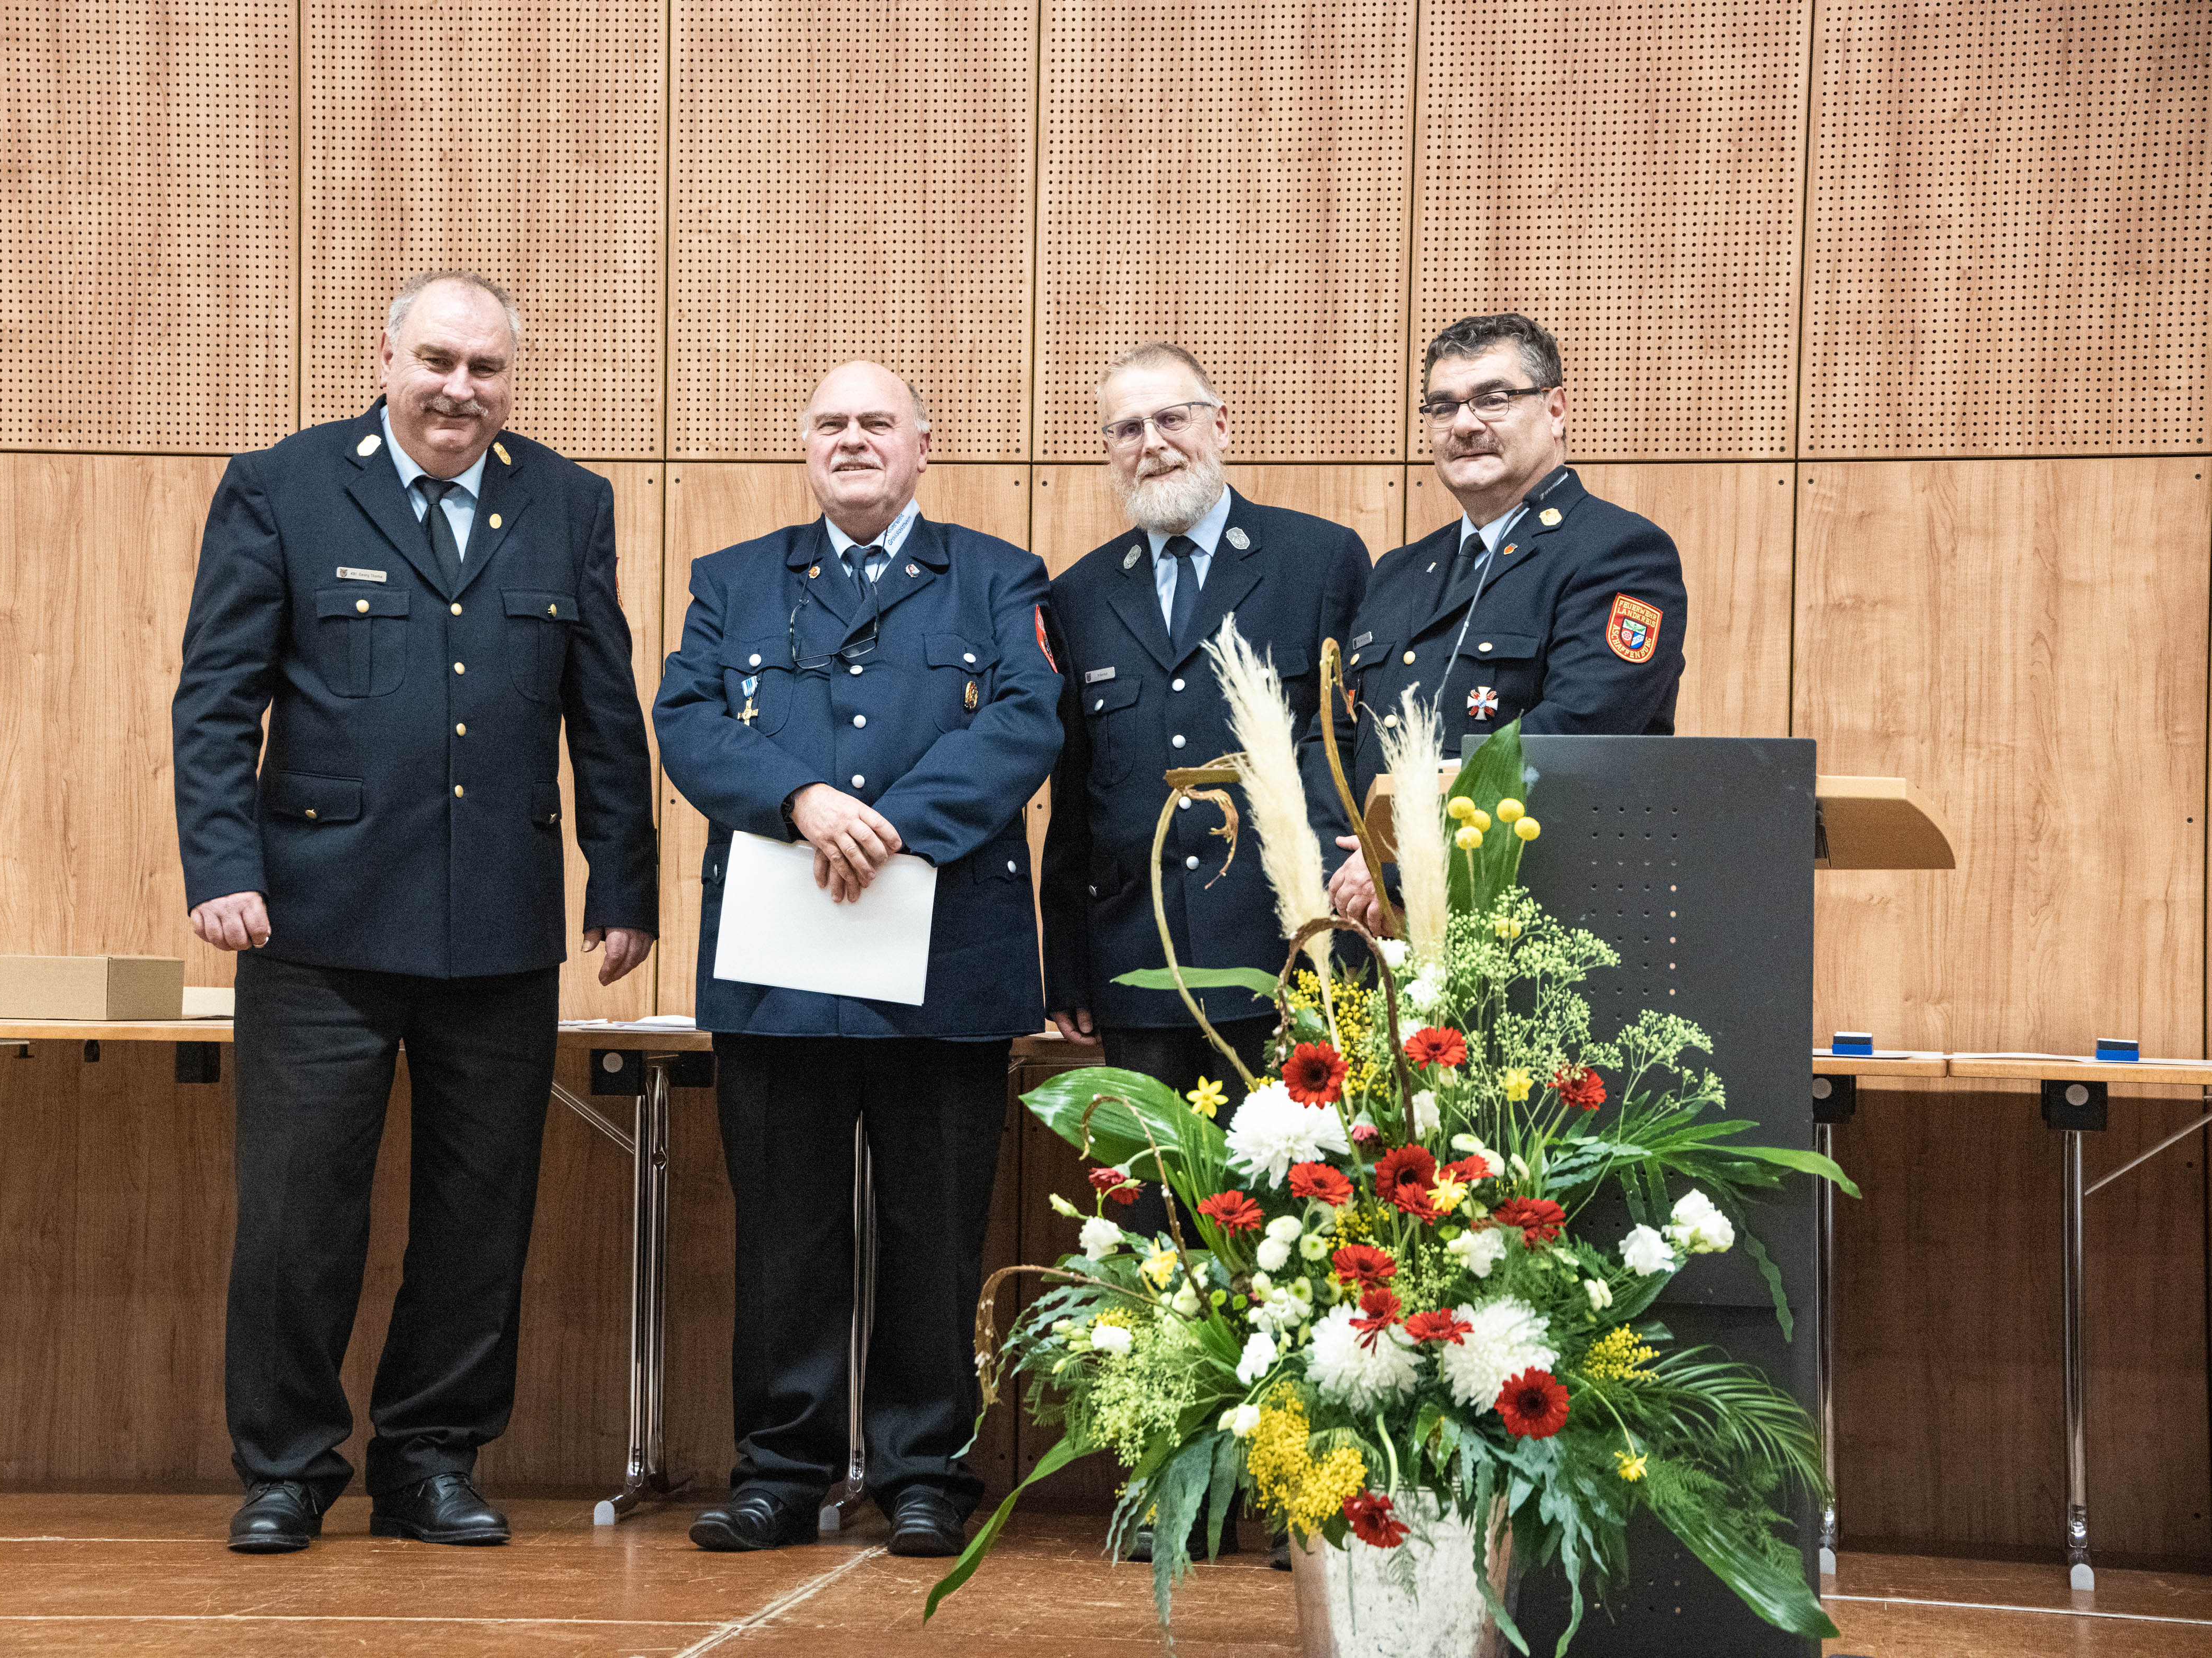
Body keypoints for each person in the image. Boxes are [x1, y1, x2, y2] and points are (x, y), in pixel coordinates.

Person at [172, 270, 659, 1553]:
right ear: (384, 357)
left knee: (478, 1210)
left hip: (497, 922)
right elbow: (217, 697)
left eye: (486, 368)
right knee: (296, 1210)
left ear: (513, 379)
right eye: (437, 360)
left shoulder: (566, 500)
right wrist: (222, 862)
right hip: (316, 922)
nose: (459, 388)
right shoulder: (280, 484)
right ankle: (285, 1465)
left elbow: (602, 711)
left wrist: (624, 882)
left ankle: (430, 1459)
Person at [650, 360, 1061, 1557]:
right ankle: (779, 1469)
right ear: (803, 446)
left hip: (948, 972)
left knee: (934, 1230)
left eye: (875, 421)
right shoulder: (732, 581)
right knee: (785, 1230)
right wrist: (803, 796)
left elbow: (1027, 716)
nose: (852, 438)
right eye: (830, 422)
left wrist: (890, 821)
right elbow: (686, 721)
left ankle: (924, 1468)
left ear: (922, 444)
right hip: (782, 971)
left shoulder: (997, 578)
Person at [1036, 342, 1366, 1568]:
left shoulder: (1318, 558)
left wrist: (1355, 872)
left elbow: (1357, 739)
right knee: (1159, 1222)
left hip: (1285, 950)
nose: (1150, 444)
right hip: (1133, 953)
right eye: (1123, 429)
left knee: (1303, 1208)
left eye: (1168, 418)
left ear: (1221, 421)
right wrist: (1063, 959)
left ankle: (1304, 1484)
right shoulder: (1077, 592)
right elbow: (1071, 795)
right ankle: (1182, 1478)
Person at [1331, 314, 1686, 930]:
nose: (1464, 425)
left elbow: (1575, 731)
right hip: (1379, 933)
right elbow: (1334, 737)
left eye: (1492, 400)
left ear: (1554, 410)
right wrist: (1337, 868)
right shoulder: (1396, 572)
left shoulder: (1618, 552)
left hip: (1536, 927)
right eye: (1442, 407)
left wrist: (1400, 859)